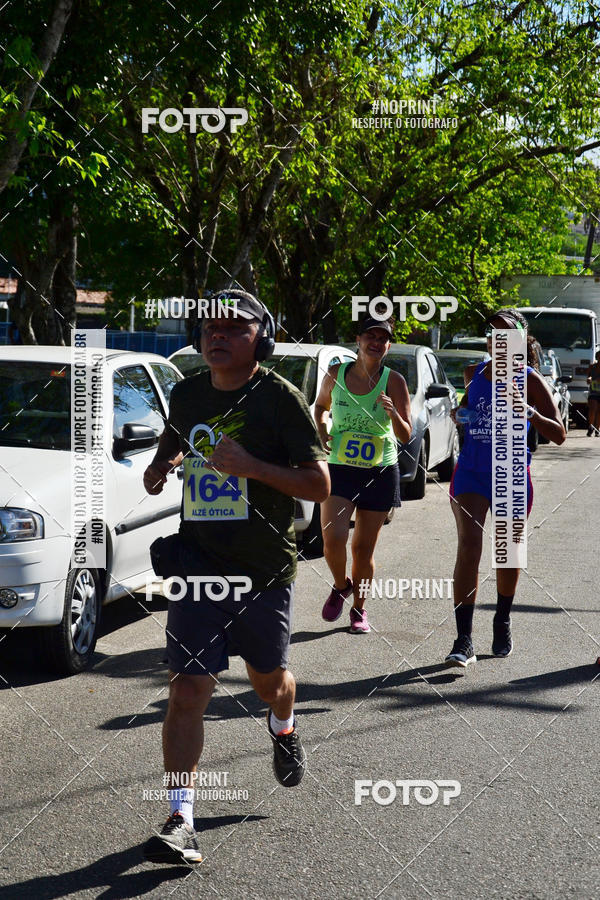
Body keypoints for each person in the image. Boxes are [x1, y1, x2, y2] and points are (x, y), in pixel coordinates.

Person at [141, 289, 329, 865]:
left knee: (268, 681)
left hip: (261, 569)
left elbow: (319, 485)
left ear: (261, 338)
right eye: (209, 327)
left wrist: (251, 467)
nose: (216, 335)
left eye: (233, 327)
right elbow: (178, 433)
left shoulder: (280, 398)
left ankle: (284, 724)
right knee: (187, 689)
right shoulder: (187, 390)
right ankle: (180, 818)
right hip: (198, 563)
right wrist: (161, 463)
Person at [446, 307, 566, 667]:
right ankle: (463, 639)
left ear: (519, 339)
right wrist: (459, 415)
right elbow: (468, 413)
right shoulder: (475, 373)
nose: (499, 338)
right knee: (469, 545)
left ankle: (502, 620)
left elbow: (559, 434)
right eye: (493, 331)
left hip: (512, 471)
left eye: (506, 332)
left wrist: (530, 413)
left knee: (507, 551)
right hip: (471, 470)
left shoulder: (529, 378)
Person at [313, 315, 411, 633]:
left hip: (379, 471)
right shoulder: (335, 374)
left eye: (383, 339)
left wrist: (393, 413)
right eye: (371, 336)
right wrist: (321, 431)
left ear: (388, 345)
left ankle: (359, 609)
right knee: (333, 539)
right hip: (340, 467)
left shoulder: (394, 381)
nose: (376, 343)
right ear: (358, 339)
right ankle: (342, 585)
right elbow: (319, 407)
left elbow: (406, 434)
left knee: (362, 548)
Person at [585, 350, 600, 436]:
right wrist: (589, 379)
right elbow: (588, 377)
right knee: (592, 409)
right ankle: (591, 427)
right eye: (599, 357)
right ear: (597, 357)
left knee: (599, 411)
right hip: (593, 392)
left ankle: (597, 429)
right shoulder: (592, 367)